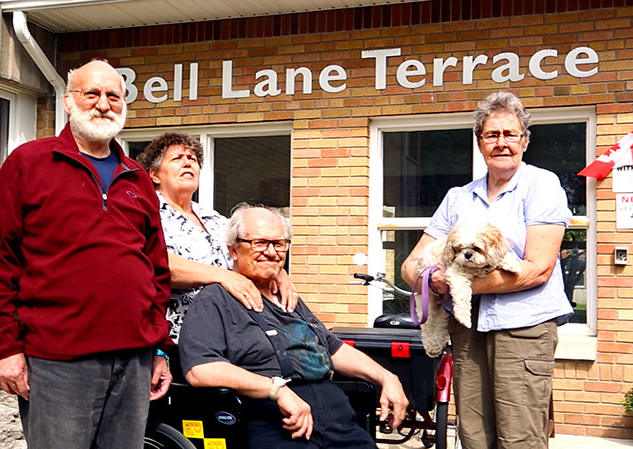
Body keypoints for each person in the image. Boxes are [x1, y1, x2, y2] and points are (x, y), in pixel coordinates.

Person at [0, 59, 171, 449]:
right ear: (69, 102)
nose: (103, 104)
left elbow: (156, 270)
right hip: (58, 360)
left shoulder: (137, 178)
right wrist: (6, 348)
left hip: (133, 360)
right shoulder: (30, 162)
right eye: (92, 94)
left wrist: (158, 347)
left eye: (113, 96)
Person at [401, 91, 573, 449]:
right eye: (492, 135)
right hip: (467, 328)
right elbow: (412, 264)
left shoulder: (541, 185)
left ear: (524, 141)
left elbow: (537, 269)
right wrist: (429, 279)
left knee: (519, 435)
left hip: (523, 326)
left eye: (510, 134)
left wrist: (455, 286)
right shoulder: (458, 197)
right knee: (473, 434)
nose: (502, 143)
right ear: (480, 142)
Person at [179, 204, 409, 449]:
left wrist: (387, 377)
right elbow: (200, 370)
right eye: (259, 243)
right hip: (270, 419)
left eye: (279, 244)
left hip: (336, 419)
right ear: (233, 250)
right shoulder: (215, 299)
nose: (271, 252)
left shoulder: (288, 297)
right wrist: (276, 390)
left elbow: (333, 349)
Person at [137, 132, 297, 344]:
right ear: (155, 175)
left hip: (232, 332)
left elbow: (248, 251)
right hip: (178, 338)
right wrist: (224, 276)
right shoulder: (144, 213)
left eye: (192, 159)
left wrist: (277, 273)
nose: (187, 163)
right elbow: (154, 263)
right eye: (177, 158)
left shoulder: (215, 218)